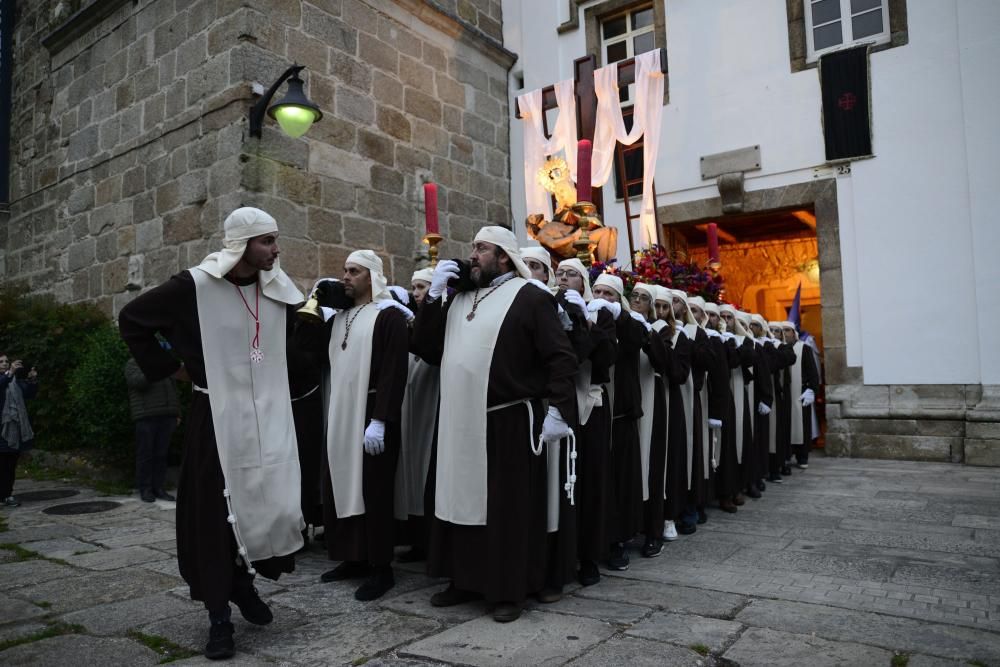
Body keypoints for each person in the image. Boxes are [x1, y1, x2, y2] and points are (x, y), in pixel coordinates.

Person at [119, 207, 308, 660]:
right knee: (213, 511)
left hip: (269, 415)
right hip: (216, 416)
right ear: (241, 244)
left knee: (269, 505)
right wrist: (174, 368)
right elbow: (133, 320)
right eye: (266, 241)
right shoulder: (195, 286)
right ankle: (219, 614)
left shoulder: (276, 289)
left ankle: (243, 584)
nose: (275, 250)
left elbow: (290, 348)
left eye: (275, 240)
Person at [413, 226, 579, 623]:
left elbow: (560, 356)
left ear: (503, 256)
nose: (472, 255)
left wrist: (559, 410)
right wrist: (434, 297)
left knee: (505, 511)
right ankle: (463, 579)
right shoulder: (458, 299)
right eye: (472, 247)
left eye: (481, 248)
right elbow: (425, 348)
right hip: (459, 418)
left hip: (507, 420)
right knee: (458, 500)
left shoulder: (530, 297)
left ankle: (508, 590)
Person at [306, 251, 410, 603]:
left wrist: (379, 421)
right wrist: (312, 309)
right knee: (339, 484)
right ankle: (352, 557)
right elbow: (310, 357)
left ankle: (381, 567)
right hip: (341, 411)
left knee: (373, 490)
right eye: (344, 271)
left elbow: (395, 372)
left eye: (354, 271)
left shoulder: (390, 317)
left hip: (372, 412)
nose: (346, 277)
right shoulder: (338, 319)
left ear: (372, 277)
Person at [394, 268, 439, 563]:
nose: (416, 293)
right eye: (413, 287)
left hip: (433, 395)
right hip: (414, 394)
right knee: (411, 465)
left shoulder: (437, 318)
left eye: (422, 286)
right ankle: (415, 535)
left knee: (427, 465)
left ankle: (429, 538)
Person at [125, 353, 180, 503]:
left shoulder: (163, 365)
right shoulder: (133, 363)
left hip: (167, 416)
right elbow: (138, 383)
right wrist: (152, 367)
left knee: (161, 455)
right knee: (145, 455)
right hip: (146, 416)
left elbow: (173, 390)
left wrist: (176, 413)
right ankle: (145, 489)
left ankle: (159, 488)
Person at [0, 355, 38, 507]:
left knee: (10, 465)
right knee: (2, 465)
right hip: (2, 429)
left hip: (15, 429)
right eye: (0, 362)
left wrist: (32, 379)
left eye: (6, 362)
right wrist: (10, 373)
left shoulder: (15, 382)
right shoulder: (6, 380)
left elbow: (30, 394)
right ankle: (2, 496)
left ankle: (7, 495)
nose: (4, 364)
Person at [782, 321, 820, 470]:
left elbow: (812, 372)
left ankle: (802, 456)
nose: (785, 334)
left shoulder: (804, 349)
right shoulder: (779, 348)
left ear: (794, 332)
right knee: (786, 426)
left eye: (787, 330)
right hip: (785, 395)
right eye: (782, 330)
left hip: (800, 393)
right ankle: (786, 455)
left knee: (801, 426)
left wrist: (812, 390)